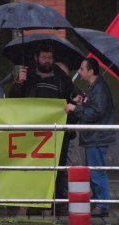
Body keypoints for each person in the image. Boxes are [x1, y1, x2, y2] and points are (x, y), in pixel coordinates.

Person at [10, 44, 78, 215]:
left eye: (50, 58)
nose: (47, 61)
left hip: (58, 133)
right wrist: (19, 83)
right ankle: (35, 203)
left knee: (59, 169)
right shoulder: (28, 77)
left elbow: (73, 101)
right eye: (44, 57)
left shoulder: (63, 79)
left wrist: (75, 105)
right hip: (33, 134)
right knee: (35, 168)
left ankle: (59, 203)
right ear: (36, 58)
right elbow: (13, 99)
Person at [65, 57, 115, 217]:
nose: (79, 72)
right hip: (94, 136)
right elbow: (93, 107)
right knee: (95, 170)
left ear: (90, 71)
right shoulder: (94, 87)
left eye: (81, 69)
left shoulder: (99, 89)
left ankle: (101, 204)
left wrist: (75, 108)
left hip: (97, 136)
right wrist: (82, 102)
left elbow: (96, 112)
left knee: (96, 171)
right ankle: (99, 201)